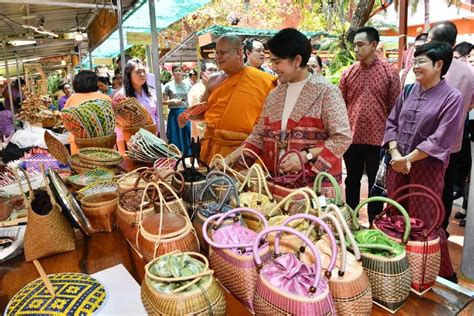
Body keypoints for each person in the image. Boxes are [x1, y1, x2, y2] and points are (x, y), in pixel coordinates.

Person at [223, 28, 352, 194]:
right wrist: (230, 160)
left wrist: (306, 156)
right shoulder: (275, 94)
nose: (273, 67)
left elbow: (342, 137)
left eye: (277, 62)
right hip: (278, 184)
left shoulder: (326, 92)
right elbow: (259, 135)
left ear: (297, 60)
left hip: (315, 187)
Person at [384, 41, 463, 282]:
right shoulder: (408, 91)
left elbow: (441, 138)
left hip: (427, 170)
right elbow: (392, 122)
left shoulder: (452, 97)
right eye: (414, 61)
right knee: (395, 215)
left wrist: (407, 159)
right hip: (397, 166)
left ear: (439, 65)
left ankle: (432, 273)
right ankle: (396, 269)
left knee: (425, 222)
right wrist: (396, 154)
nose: (414, 66)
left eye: (420, 62)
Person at [178, 35, 276, 164]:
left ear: (238, 53)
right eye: (217, 52)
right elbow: (204, 111)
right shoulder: (213, 80)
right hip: (214, 150)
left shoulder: (263, 80)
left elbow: (270, 121)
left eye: (223, 53)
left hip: (244, 151)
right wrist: (188, 116)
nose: (218, 57)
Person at [339, 26, 401, 223]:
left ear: (373, 45)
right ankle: (351, 219)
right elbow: (340, 106)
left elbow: (395, 109)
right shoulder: (348, 73)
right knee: (352, 181)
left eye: (360, 45)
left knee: (377, 184)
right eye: (354, 46)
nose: (356, 50)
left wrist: (392, 142)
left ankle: (375, 223)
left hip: (378, 140)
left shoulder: (390, 73)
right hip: (352, 138)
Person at [427, 21, 474, 233]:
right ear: (454, 43)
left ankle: (423, 229)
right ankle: (441, 230)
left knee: (424, 188)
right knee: (445, 189)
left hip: (423, 144)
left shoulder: (425, 66)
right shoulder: (468, 72)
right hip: (453, 143)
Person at [113, 58, 158, 126]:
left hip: (154, 132)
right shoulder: (120, 96)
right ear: (129, 74)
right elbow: (118, 121)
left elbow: (158, 115)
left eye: (144, 71)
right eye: (138, 72)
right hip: (132, 134)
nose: (142, 74)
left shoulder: (152, 92)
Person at [163, 64, 192, 153]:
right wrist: (172, 101)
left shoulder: (188, 84)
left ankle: (189, 154)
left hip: (186, 113)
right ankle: (176, 155)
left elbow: (191, 99)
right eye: (176, 71)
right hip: (174, 114)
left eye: (180, 70)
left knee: (188, 134)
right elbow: (163, 102)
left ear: (183, 72)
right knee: (175, 136)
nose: (178, 72)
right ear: (173, 73)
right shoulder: (168, 85)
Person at [187, 60, 218, 139]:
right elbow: (198, 118)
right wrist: (204, 137)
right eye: (210, 70)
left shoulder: (214, 88)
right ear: (202, 74)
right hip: (203, 137)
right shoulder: (197, 90)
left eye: (215, 70)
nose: (214, 73)